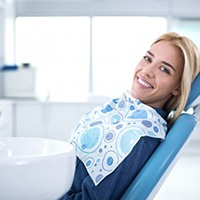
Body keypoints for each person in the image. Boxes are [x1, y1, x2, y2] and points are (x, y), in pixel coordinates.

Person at [60, 32, 200, 200]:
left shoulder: (138, 137)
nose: (147, 71)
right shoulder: (122, 109)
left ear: (177, 88)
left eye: (164, 69)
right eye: (148, 59)